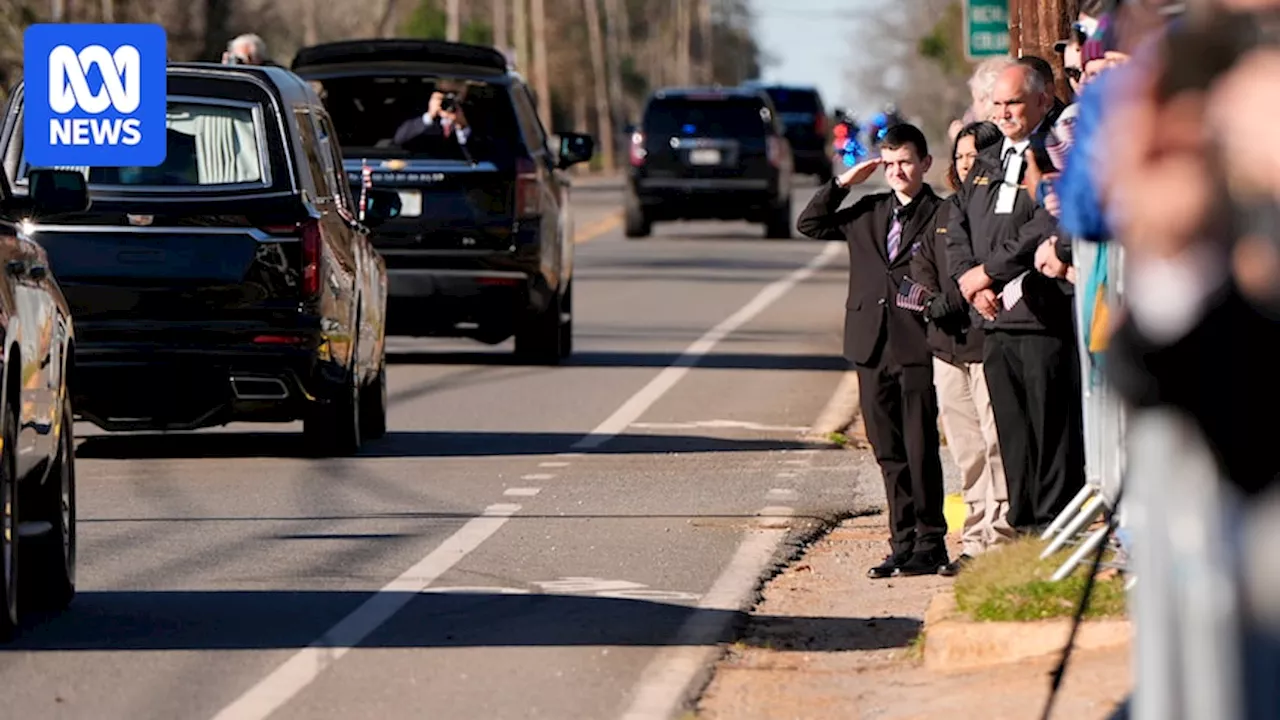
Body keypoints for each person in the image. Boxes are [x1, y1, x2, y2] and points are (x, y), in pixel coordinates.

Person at [797, 124, 950, 578]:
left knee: (921, 445)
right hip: (870, 343)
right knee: (887, 449)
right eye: (890, 163)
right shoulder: (867, 210)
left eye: (906, 161)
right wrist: (844, 182)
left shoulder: (941, 215)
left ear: (925, 163)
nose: (898, 171)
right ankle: (901, 542)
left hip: (916, 342)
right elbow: (810, 224)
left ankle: (930, 540)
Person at [946, 63, 1086, 534]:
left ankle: (1053, 529)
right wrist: (971, 278)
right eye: (998, 104)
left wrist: (991, 270)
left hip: (1042, 316)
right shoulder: (986, 161)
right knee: (1013, 436)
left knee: (1052, 433)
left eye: (1015, 103)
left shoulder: (1055, 154)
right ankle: (1022, 529)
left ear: (1043, 102)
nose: (1004, 113)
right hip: (994, 321)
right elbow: (957, 225)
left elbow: (1045, 225)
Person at [910, 120, 1014, 574]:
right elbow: (925, 269)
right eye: (961, 156)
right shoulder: (945, 211)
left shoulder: (1003, 208)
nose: (967, 164)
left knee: (997, 448)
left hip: (988, 342)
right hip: (947, 348)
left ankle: (1002, 537)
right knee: (967, 452)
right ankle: (973, 540)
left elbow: (989, 267)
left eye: (975, 155)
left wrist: (955, 297)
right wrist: (935, 303)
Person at [393, 88, 472, 156]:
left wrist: (462, 126)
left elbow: (478, 154)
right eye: (443, 99)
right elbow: (399, 139)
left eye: (453, 98)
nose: (448, 103)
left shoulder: (471, 113)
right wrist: (429, 116)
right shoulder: (416, 112)